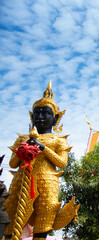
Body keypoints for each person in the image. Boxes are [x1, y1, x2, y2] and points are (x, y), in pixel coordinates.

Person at [5, 81, 76, 240]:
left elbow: (62, 163)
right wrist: (23, 148)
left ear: (56, 117)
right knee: (10, 222)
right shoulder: (23, 139)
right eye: (37, 113)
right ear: (32, 116)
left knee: (43, 224)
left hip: (48, 183)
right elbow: (12, 164)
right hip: (21, 180)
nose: (41, 117)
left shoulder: (59, 140)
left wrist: (42, 147)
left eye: (46, 113)